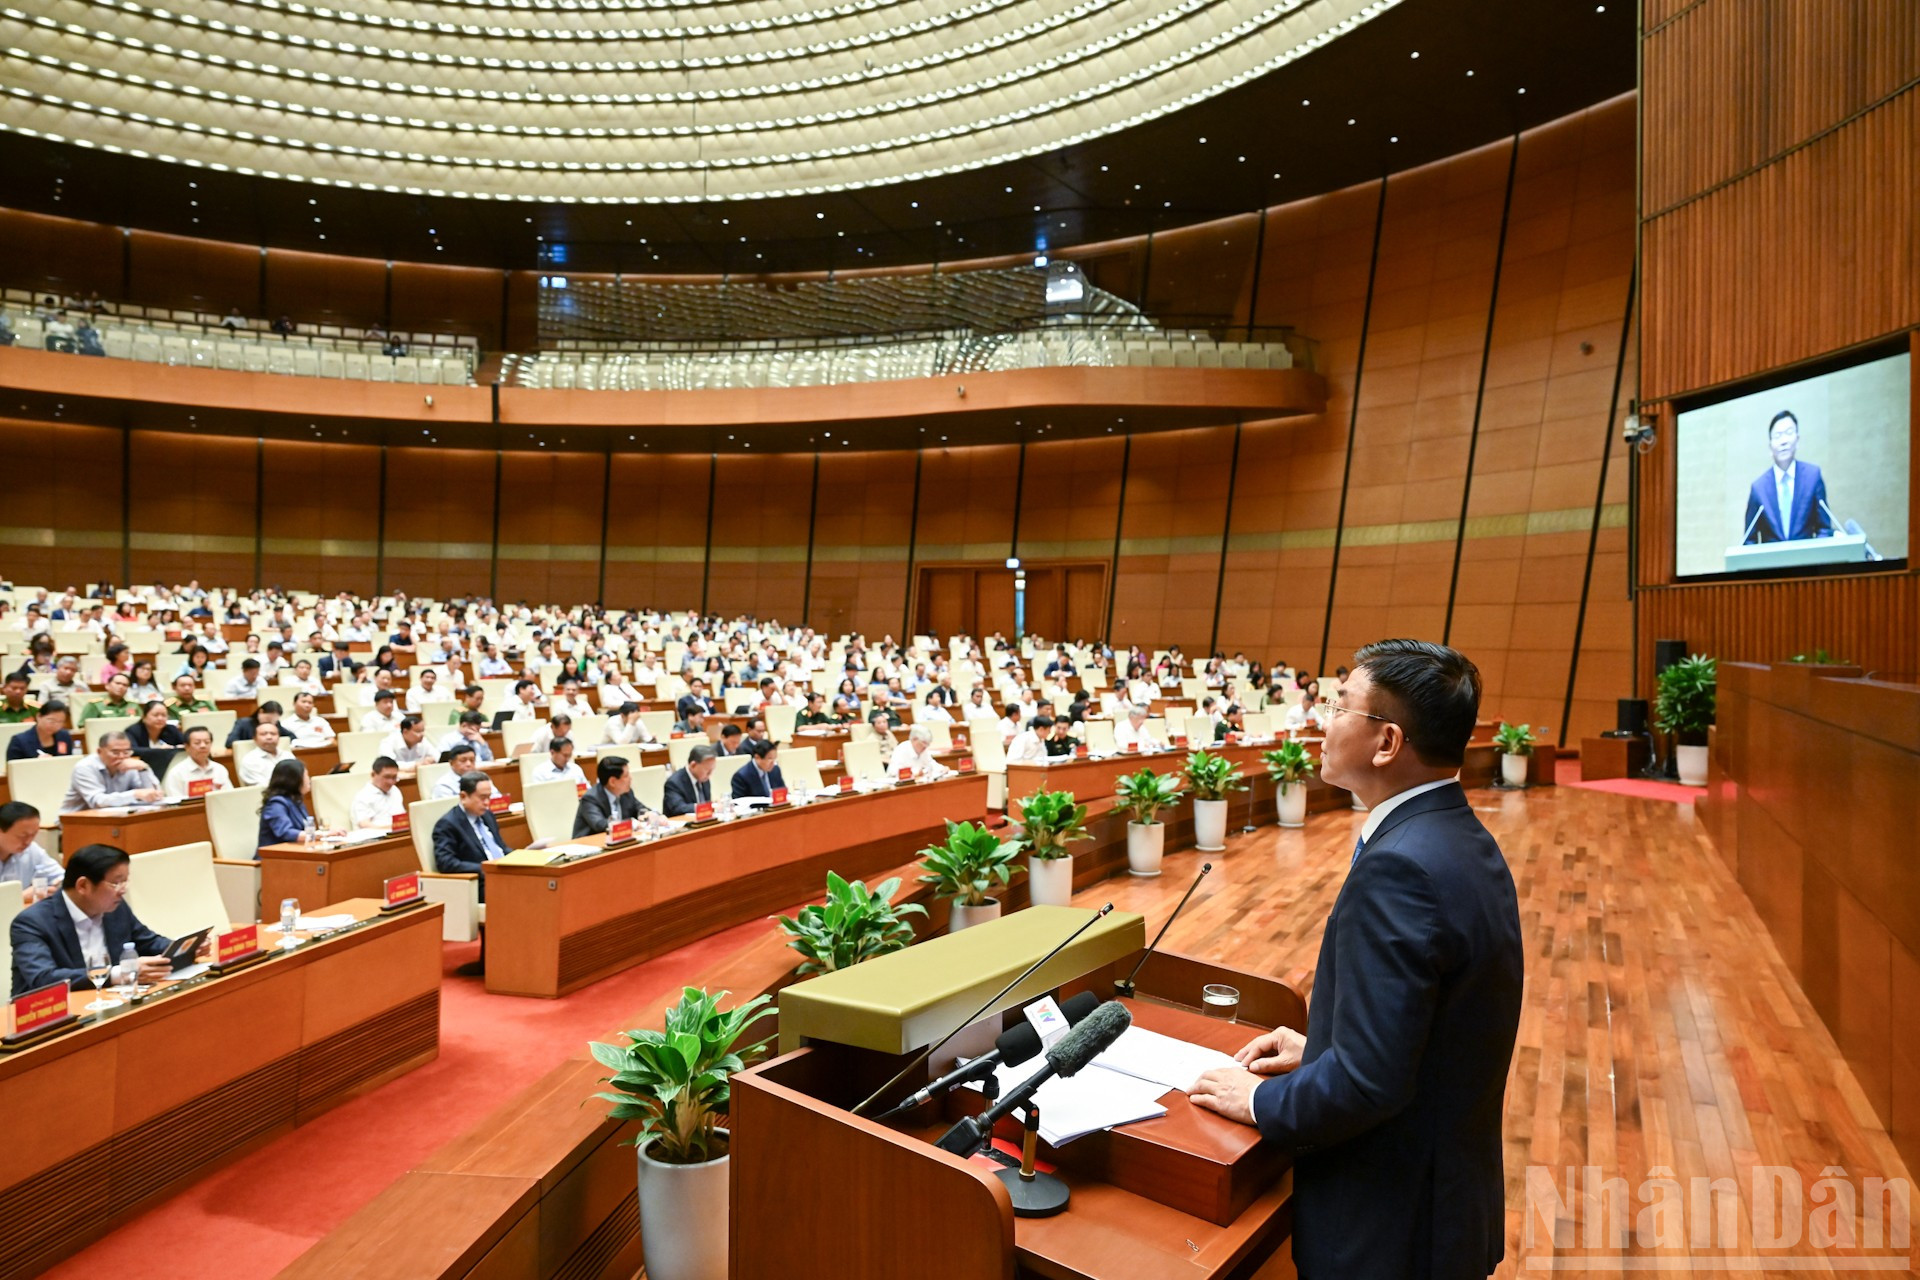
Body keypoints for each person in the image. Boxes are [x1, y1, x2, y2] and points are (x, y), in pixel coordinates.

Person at [1186, 640, 1523, 1280]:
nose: (1324, 718)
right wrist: (1323, 1047)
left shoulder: (1400, 867)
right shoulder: (1461, 838)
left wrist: (1255, 1101)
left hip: (1387, 1233)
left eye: (1341, 705)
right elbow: (1430, 1031)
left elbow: (1370, 1085)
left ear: (1387, 742)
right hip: (1442, 1209)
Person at [11, 843, 177, 997]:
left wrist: (186, 947)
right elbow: (44, 979)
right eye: (116, 883)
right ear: (83, 886)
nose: (122, 891)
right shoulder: (31, 922)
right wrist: (121, 973)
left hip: (109, 1001)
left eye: (125, 881)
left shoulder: (115, 908)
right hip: (50, 1013)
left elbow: (148, 942)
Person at [1743, 409, 1833, 544]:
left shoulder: (1812, 477)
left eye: (1789, 433)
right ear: (1770, 447)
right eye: (1777, 435)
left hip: (1808, 561)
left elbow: (1824, 529)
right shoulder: (1758, 488)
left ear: (1797, 440)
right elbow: (1749, 540)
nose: (1783, 441)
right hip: (1772, 564)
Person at [432, 772, 508, 898]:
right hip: (480, 883)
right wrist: (486, 868)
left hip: (503, 874)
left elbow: (501, 848)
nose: (487, 803)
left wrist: (522, 856)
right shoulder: (448, 824)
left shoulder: (487, 815)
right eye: (482, 798)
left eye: (489, 797)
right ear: (463, 796)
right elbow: (446, 863)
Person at [62, 731, 163, 812]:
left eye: (126, 752)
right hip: (76, 822)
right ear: (99, 752)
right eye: (115, 752)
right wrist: (135, 794)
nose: (122, 757)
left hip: (114, 818)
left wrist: (144, 769)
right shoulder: (85, 768)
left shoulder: (130, 765)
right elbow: (98, 802)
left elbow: (153, 795)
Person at [0, 801, 61, 905]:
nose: (28, 842)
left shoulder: (31, 849)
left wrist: (58, 886)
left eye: (34, 835)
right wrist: (20, 897)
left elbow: (59, 877)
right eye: (22, 836)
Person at [575, 755, 648, 836]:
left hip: (620, 842)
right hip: (590, 845)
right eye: (626, 775)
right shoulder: (590, 798)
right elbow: (600, 825)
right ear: (612, 782)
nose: (631, 778)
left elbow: (641, 809)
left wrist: (652, 814)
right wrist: (631, 824)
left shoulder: (626, 793)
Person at [258, 758, 324, 846]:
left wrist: (324, 834)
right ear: (294, 780)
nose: (309, 779)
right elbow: (286, 832)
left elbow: (307, 829)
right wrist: (323, 835)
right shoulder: (276, 804)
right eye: (306, 776)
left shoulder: (296, 801)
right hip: (275, 856)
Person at [164, 725, 233, 798]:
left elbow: (230, 797)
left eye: (207, 742)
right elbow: (176, 803)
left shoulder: (219, 769)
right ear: (187, 747)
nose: (203, 746)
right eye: (197, 743)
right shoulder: (176, 773)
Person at [662, 744, 719, 817]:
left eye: (712, 770)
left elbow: (705, 802)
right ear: (693, 765)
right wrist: (709, 806)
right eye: (707, 770)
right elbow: (678, 808)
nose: (710, 774)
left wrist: (714, 804)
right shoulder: (674, 783)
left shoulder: (704, 778)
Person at [350, 757, 406, 830]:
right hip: (376, 837)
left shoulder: (395, 790)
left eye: (394, 777)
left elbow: (402, 817)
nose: (391, 782)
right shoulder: (363, 796)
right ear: (373, 774)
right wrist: (390, 828)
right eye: (387, 777)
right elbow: (364, 825)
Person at [7, 701, 73, 761]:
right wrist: (37, 763)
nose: (55, 725)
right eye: (51, 720)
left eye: (60, 722)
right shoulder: (19, 741)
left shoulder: (64, 736)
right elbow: (14, 769)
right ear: (39, 716)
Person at [239, 720, 297, 787]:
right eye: (263, 734)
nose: (269, 737)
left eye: (273, 734)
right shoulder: (250, 760)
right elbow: (261, 788)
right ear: (255, 738)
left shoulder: (287, 755)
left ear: (279, 737)